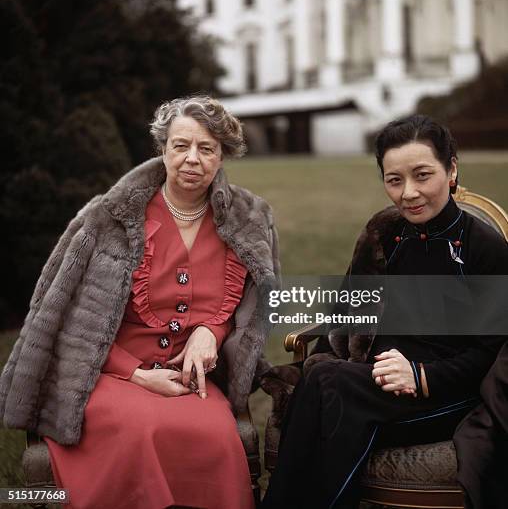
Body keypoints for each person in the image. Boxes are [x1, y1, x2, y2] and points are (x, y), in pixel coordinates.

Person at [0, 96, 280, 509]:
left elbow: (252, 310)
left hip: (191, 382)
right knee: (141, 428)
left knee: (216, 439)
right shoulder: (107, 219)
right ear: (162, 148)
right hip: (111, 374)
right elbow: (69, 323)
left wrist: (211, 332)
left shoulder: (248, 220)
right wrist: (137, 375)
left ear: (223, 156)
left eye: (206, 148)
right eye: (180, 145)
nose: (192, 159)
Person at [262, 115, 508, 509]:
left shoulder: (485, 248)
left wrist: (421, 374)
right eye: (394, 180)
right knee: (326, 375)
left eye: (422, 175)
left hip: (448, 395)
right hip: (372, 380)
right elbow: (349, 312)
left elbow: (492, 354)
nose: (409, 193)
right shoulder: (385, 234)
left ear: (452, 169)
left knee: (331, 383)